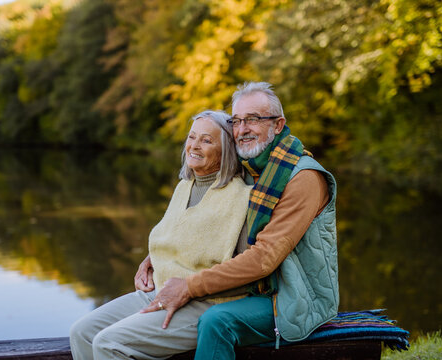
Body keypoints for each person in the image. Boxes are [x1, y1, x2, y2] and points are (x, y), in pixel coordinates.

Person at [142, 82, 339, 360]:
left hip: (291, 296)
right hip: (248, 287)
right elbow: (203, 229)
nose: (243, 129)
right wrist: (155, 258)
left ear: (278, 125)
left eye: (254, 119)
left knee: (216, 321)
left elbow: (264, 259)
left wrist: (189, 285)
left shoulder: (302, 178)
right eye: (237, 121)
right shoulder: (248, 168)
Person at [69, 110, 253, 360]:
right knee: (82, 332)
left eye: (206, 140)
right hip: (159, 292)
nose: (194, 146)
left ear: (227, 150)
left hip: (206, 303)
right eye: (191, 137)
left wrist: (190, 288)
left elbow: (244, 269)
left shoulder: (240, 197)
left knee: (108, 343)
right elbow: (179, 239)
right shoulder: (184, 187)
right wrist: (149, 263)